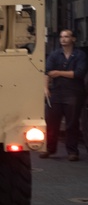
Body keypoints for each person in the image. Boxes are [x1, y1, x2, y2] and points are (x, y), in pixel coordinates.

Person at [41, 28, 87, 161]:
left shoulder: (80, 55)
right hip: (56, 93)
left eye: (66, 36)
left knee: (72, 124)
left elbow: (79, 73)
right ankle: (49, 149)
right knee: (51, 122)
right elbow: (48, 72)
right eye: (61, 37)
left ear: (73, 39)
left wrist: (59, 73)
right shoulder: (55, 55)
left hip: (74, 94)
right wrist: (45, 88)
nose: (63, 39)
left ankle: (72, 152)